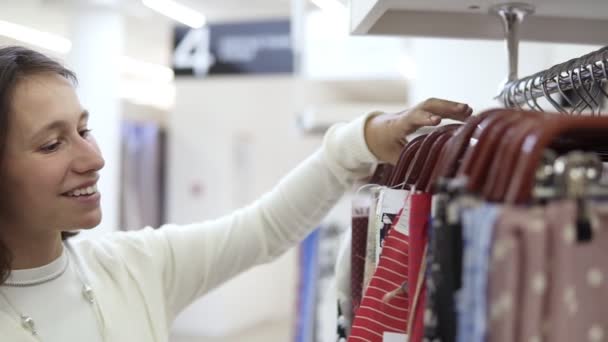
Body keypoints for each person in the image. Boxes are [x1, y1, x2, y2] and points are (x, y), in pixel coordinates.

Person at [0, 45, 472, 341]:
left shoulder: (129, 266)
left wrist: (360, 141)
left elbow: (264, 229)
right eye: (51, 143)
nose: (93, 159)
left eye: (85, 130)